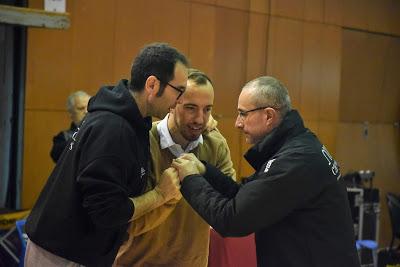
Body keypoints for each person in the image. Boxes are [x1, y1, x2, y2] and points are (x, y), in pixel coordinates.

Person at [25, 43, 189, 267]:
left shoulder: (126, 119)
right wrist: (161, 194)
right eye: (178, 90)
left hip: (69, 251)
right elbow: (108, 212)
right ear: (152, 84)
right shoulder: (114, 129)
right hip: (65, 255)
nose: (180, 100)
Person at [172, 76, 360, 267]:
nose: (237, 123)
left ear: (269, 116)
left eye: (243, 114)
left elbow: (232, 219)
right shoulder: (297, 146)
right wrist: (204, 171)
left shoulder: (295, 161)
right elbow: (244, 195)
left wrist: (189, 178)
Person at [114, 69, 236, 267]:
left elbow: (228, 208)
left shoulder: (215, 144)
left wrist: (196, 180)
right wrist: (167, 195)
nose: (199, 119)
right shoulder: (142, 140)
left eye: (207, 109)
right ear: (171, 104)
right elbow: (130, 223)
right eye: (190, 108)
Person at [50, 90, 91, 163]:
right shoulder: (63, 138)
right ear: (71, 113)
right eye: (81, 108)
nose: (86, 112)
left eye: (88, 108)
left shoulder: (101, 132)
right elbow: (57, 156)